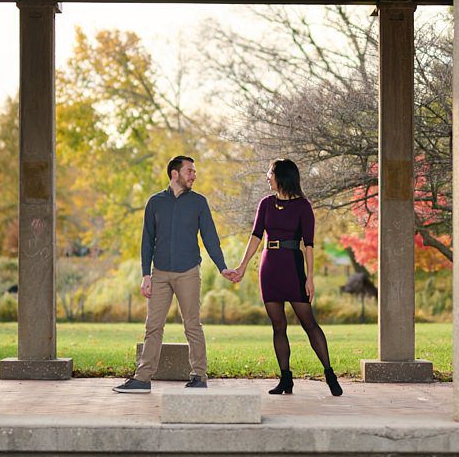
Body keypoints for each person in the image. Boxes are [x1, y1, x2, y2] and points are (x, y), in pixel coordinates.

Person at [114, 155, 237, 393]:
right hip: (159, 273)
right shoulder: (155, 202)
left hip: (188, 272)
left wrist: (222, 267)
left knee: (192, 325)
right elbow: (147, 241)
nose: (194, 175)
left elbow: (210, 238)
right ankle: (142, 378)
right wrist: (145, 274)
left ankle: (199, 376)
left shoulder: (199, 202)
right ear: (174, 174)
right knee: (153, 326)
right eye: (189, 171)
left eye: (194, 171)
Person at [232, 158, 342, 396]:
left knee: (308, 322)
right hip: (269, 267)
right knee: (278, 325)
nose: (267, 176)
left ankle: (329, 373)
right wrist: (242, 267)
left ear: (282, 176)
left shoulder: (303, 206)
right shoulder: (265, 204)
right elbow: (255, 237)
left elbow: (309, 245)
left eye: (270, 172)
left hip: (293, 267)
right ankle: (285, 379)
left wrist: (310, 278)